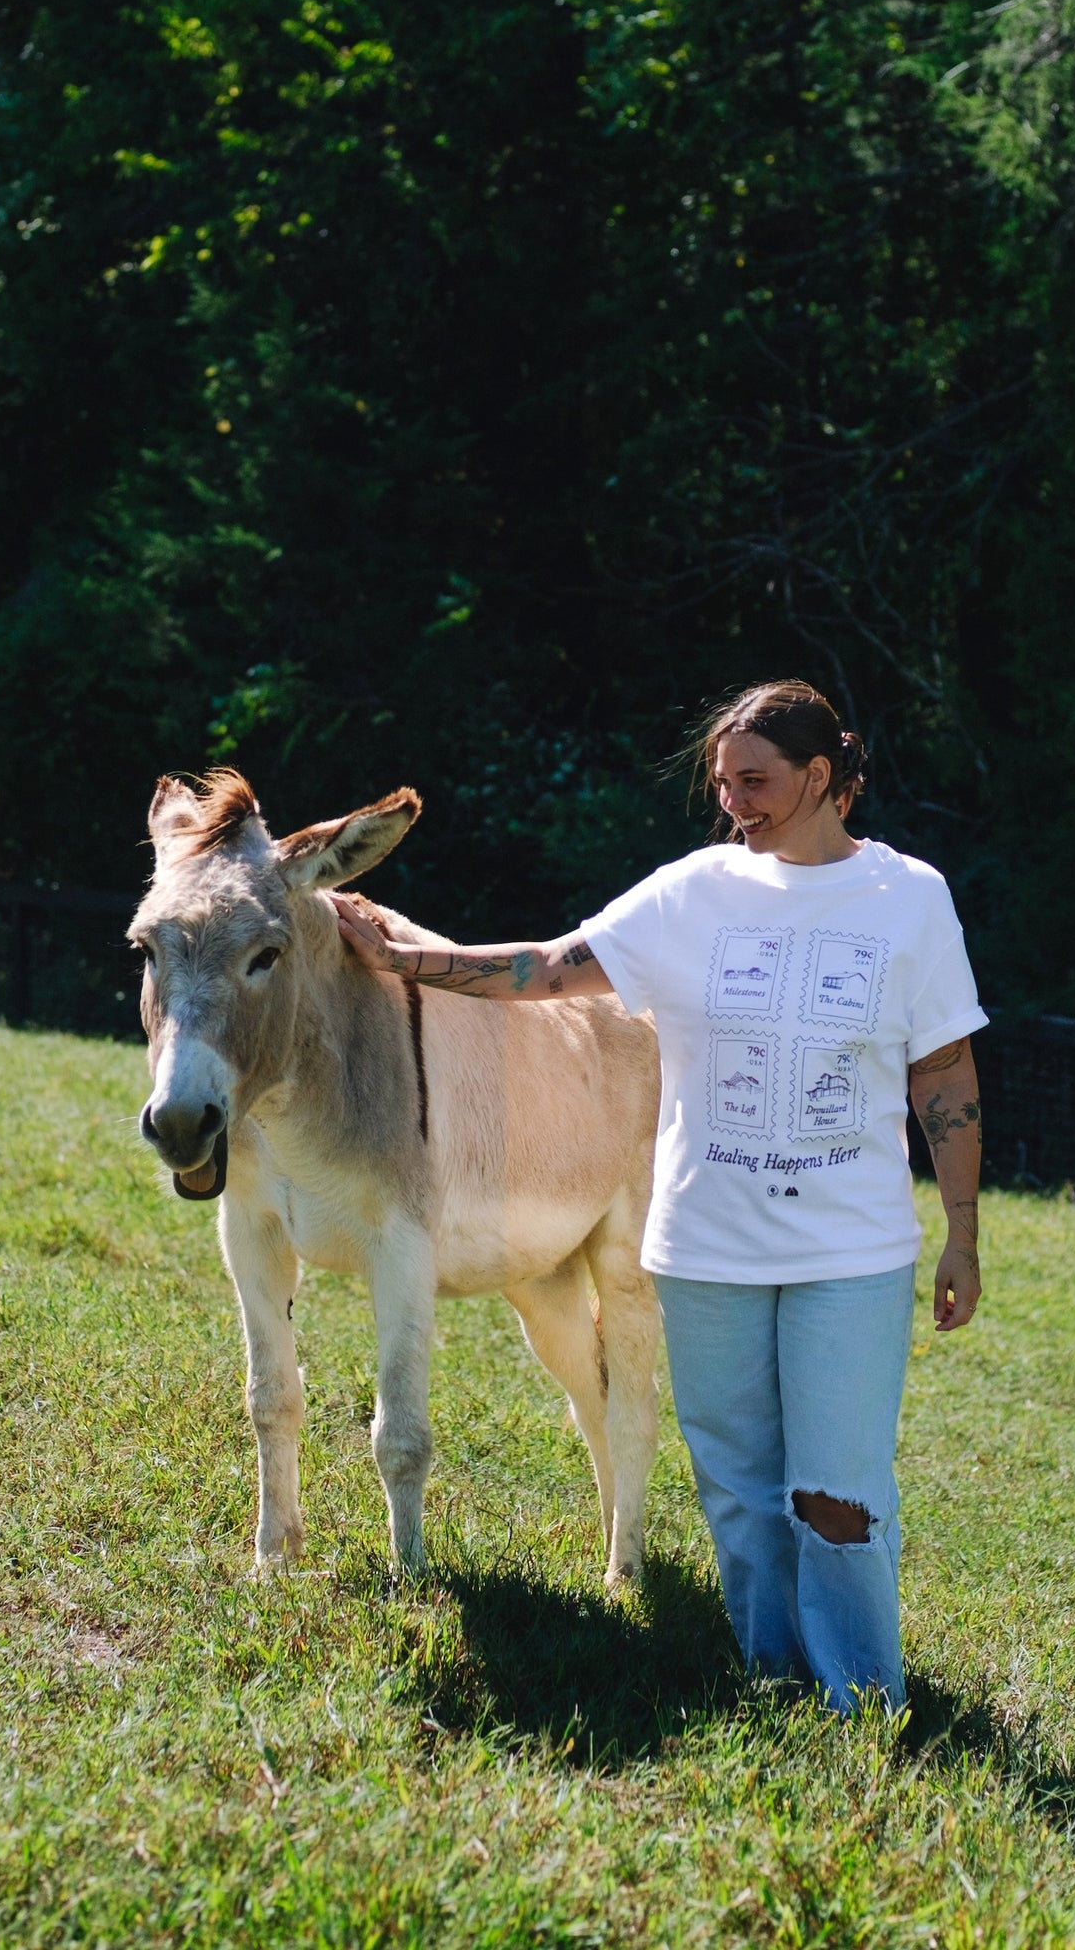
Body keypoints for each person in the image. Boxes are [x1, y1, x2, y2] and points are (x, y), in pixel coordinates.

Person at [331, 679, 984, 1713]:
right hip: (704, 1245)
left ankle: (862, 1699)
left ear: (820, 777)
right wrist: (401, 958)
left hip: (847, 1250)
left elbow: (942, 1068)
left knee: (838, 1487)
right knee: (734, 1481)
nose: (733, 803)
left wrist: (961, 1232)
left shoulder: (908, 897)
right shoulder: (691, 891)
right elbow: (548, 968)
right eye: (722, 784)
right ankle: (772, 1672)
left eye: (755, 781)